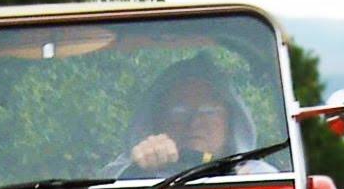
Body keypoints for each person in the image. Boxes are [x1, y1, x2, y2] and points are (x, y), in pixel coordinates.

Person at [104, 53, 278, 178]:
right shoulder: (127, 170)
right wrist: (139, 171)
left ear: (231, 121)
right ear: (156, 122)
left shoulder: (260, 176)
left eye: (209, 112)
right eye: (179, 113)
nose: (194, 123)